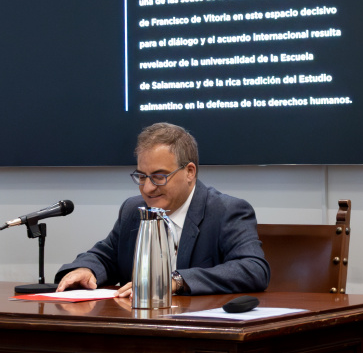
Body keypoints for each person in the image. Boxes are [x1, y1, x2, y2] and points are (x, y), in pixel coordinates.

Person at [54, 122, 269, 296]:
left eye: (159, 177)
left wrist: (176, 281)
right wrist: (86, 269)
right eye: (141, 176)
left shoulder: (226, 211)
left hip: (200, 331)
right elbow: (105, 257)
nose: (147, 188)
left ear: (190, 172)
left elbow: (253, 269)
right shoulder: (133, 209)